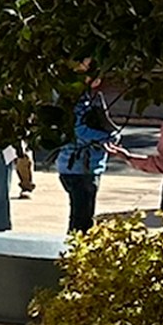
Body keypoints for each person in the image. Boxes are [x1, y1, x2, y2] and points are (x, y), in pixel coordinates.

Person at [55, 76, 120, 233]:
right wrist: (110, 137)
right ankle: (74, 254)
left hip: (76, 167)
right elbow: (79, 130)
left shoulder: (81, 100)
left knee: (80, 217)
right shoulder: (78, 103)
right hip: (80, 169)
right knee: (82, 221)